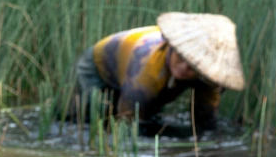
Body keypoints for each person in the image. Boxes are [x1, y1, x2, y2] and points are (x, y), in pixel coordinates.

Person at [74, 12, 245, 135]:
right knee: (98, 118)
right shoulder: (146, 74)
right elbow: (126, 126)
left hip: (136, 70)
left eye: (194, 66)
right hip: (99, 66)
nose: (184, 67)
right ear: (172, 46)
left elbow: (205, 119)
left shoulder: (207, 76)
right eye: (182, 57)